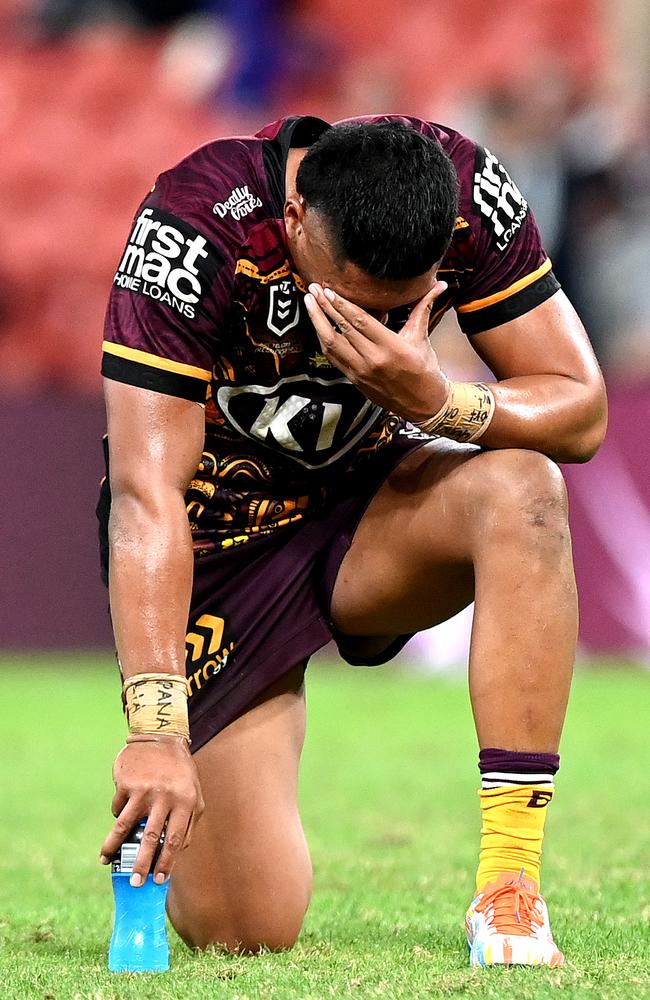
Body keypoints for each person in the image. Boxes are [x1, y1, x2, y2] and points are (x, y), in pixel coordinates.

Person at [97, 115, 607, 967]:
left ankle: (510, 891)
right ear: (295, 220)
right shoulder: (194, 227)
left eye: (402, 308)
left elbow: (581, 409)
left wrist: (444, 402)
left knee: (527, 491)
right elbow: (147, 498)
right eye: (351, 298)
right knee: (244, 928)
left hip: (373, 511)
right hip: (220, 545)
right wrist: (154, 726)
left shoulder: (465, 192)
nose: (375, 330)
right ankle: (180, 761)